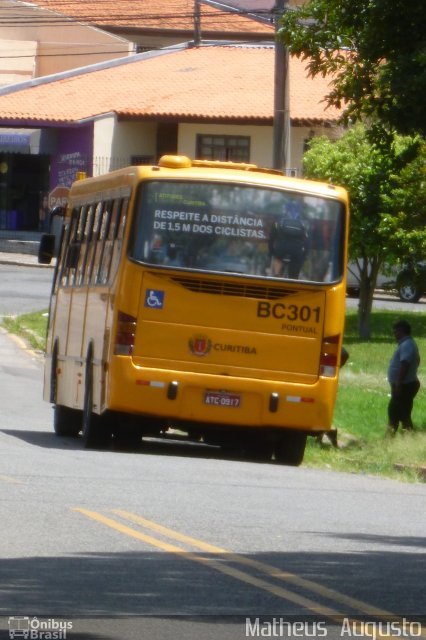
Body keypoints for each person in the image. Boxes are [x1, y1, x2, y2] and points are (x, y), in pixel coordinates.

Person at [387, 320, 420, 435]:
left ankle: (406, 435)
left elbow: (405, 364)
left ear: (401, 331)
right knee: (398, 412)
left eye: (395, 332)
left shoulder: (407, 345)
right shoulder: (408, 344)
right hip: (404, 384)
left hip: (404, 385)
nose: (394, 334)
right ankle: (392, 436)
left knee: (400, 412)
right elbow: (417, 361)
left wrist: (398, 383)